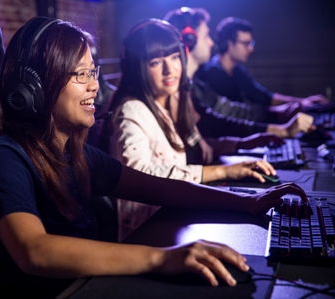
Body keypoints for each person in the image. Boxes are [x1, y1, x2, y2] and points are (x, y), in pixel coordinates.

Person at [0, 16, 308, 298]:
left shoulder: (74, 155)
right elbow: (34, 250)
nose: (94, 85)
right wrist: (161, 258)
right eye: (80, 74)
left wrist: (246, 203)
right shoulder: (5, 157)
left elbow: (161, 188)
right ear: (34, 87)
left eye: (92, 71)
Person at [101, 18, 300, 241]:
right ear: (136, 67)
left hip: (172, 214)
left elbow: (192, 148)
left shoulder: (161, 103)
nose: (170, 69)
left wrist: (241, 145)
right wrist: (222, 172)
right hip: (147, 231)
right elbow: (140, 176)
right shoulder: (132, 110)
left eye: (175, 58)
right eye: (156, 62)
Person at [164, 7, 316, 140]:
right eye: (205, 36)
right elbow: (214, 124)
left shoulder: (196, 84)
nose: (211, 43)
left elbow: (230, 109)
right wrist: (279, 129)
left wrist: (279, 114)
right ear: (189, 41)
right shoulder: (186, 85)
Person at [197, 16, 328, 109]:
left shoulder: (237, 71)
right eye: (246, 43)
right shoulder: (211, 74)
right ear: (229, 44)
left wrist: (303, 102)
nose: (251, 49)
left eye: (251, 43)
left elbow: (263, 97)